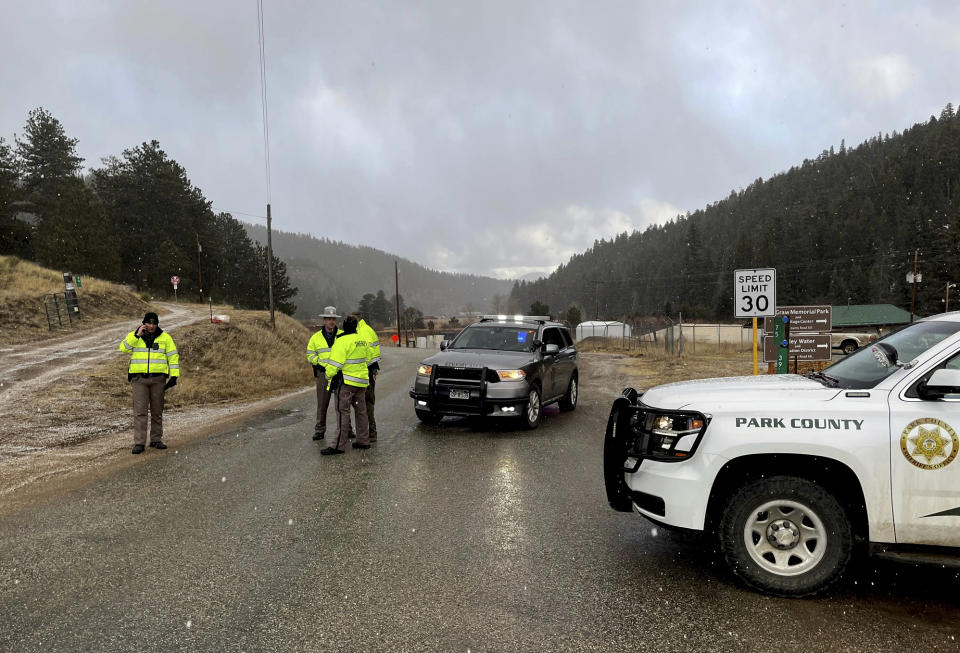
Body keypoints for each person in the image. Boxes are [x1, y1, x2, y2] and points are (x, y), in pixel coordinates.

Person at [118, 311, 180, 454]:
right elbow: (123, 348)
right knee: (140, 412)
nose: (151, 326)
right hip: (139, 380)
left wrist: (174, 376)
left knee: (157, 411)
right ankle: (139, 442)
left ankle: (156, 440)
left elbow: (173, 356)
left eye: (154, 323)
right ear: (143, 323)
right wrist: (136, 336)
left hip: (158, 379)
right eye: (149, 323)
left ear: (157, 324)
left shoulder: (166, 338)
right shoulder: (135, 336)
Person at [320, 315, 370, 455]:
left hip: (346, 383)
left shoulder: (341, 341)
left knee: (343, 413)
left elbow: (335, 364)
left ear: (344, 326)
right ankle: (363, 441)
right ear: (355, 327)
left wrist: (328, 375)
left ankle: (338, 446)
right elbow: (369, 358)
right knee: (361, 411)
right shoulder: (362, 340)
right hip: (361, 382)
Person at [306, 306, 344, 441]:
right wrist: (320, 363)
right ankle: (320, 430)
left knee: (342, 404)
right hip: (323, 374)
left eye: (333, 319)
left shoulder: (342, 335)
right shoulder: (315, 338)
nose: (331, 322)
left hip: (339, 374)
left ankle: (347, 429)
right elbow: (310, 355)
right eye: (328, 319)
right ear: (324, 320)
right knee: (322, 404)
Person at [357, 316, 381, 442]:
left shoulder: (362, 331)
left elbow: (365, 353)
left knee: (365, 403)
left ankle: (369, 433)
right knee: (368, 403)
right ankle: (370, 433)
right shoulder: (368, 329)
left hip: (365, 371)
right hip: (372, 369)